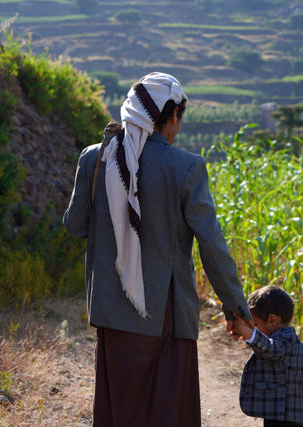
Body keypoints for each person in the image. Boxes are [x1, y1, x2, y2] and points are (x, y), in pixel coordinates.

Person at [63, 71, 252, 427]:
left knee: (121, 407)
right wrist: (235, 306)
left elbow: (75, 226)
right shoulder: (186, 167)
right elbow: (212, 245)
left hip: (111, 307)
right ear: (173, 116)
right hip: (163, 312)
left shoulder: (95, 158)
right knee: (166, 409)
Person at [230, 285, 303, 427]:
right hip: (281, 415)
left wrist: (246, 331)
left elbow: (272, 350)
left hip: (284, 419)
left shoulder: (285, 340)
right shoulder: (289, 341)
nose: (252, 327)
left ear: (272, 320)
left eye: (255, 324)